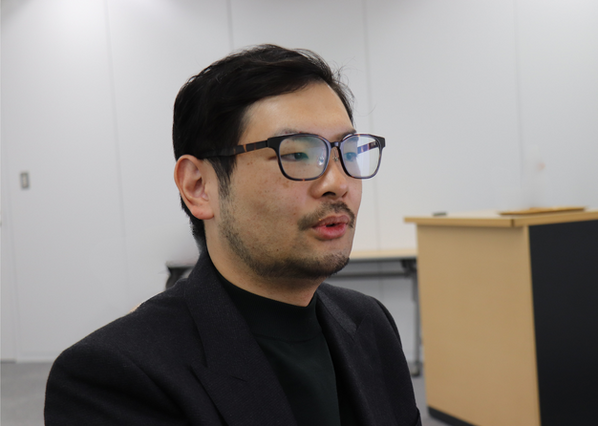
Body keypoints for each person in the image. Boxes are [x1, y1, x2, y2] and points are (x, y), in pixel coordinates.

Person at [44, 44, 421, 426]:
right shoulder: (115, 374)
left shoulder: (369, 322)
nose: (337, 184)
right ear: (198, 187)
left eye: (347, 152)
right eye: (297, 155)